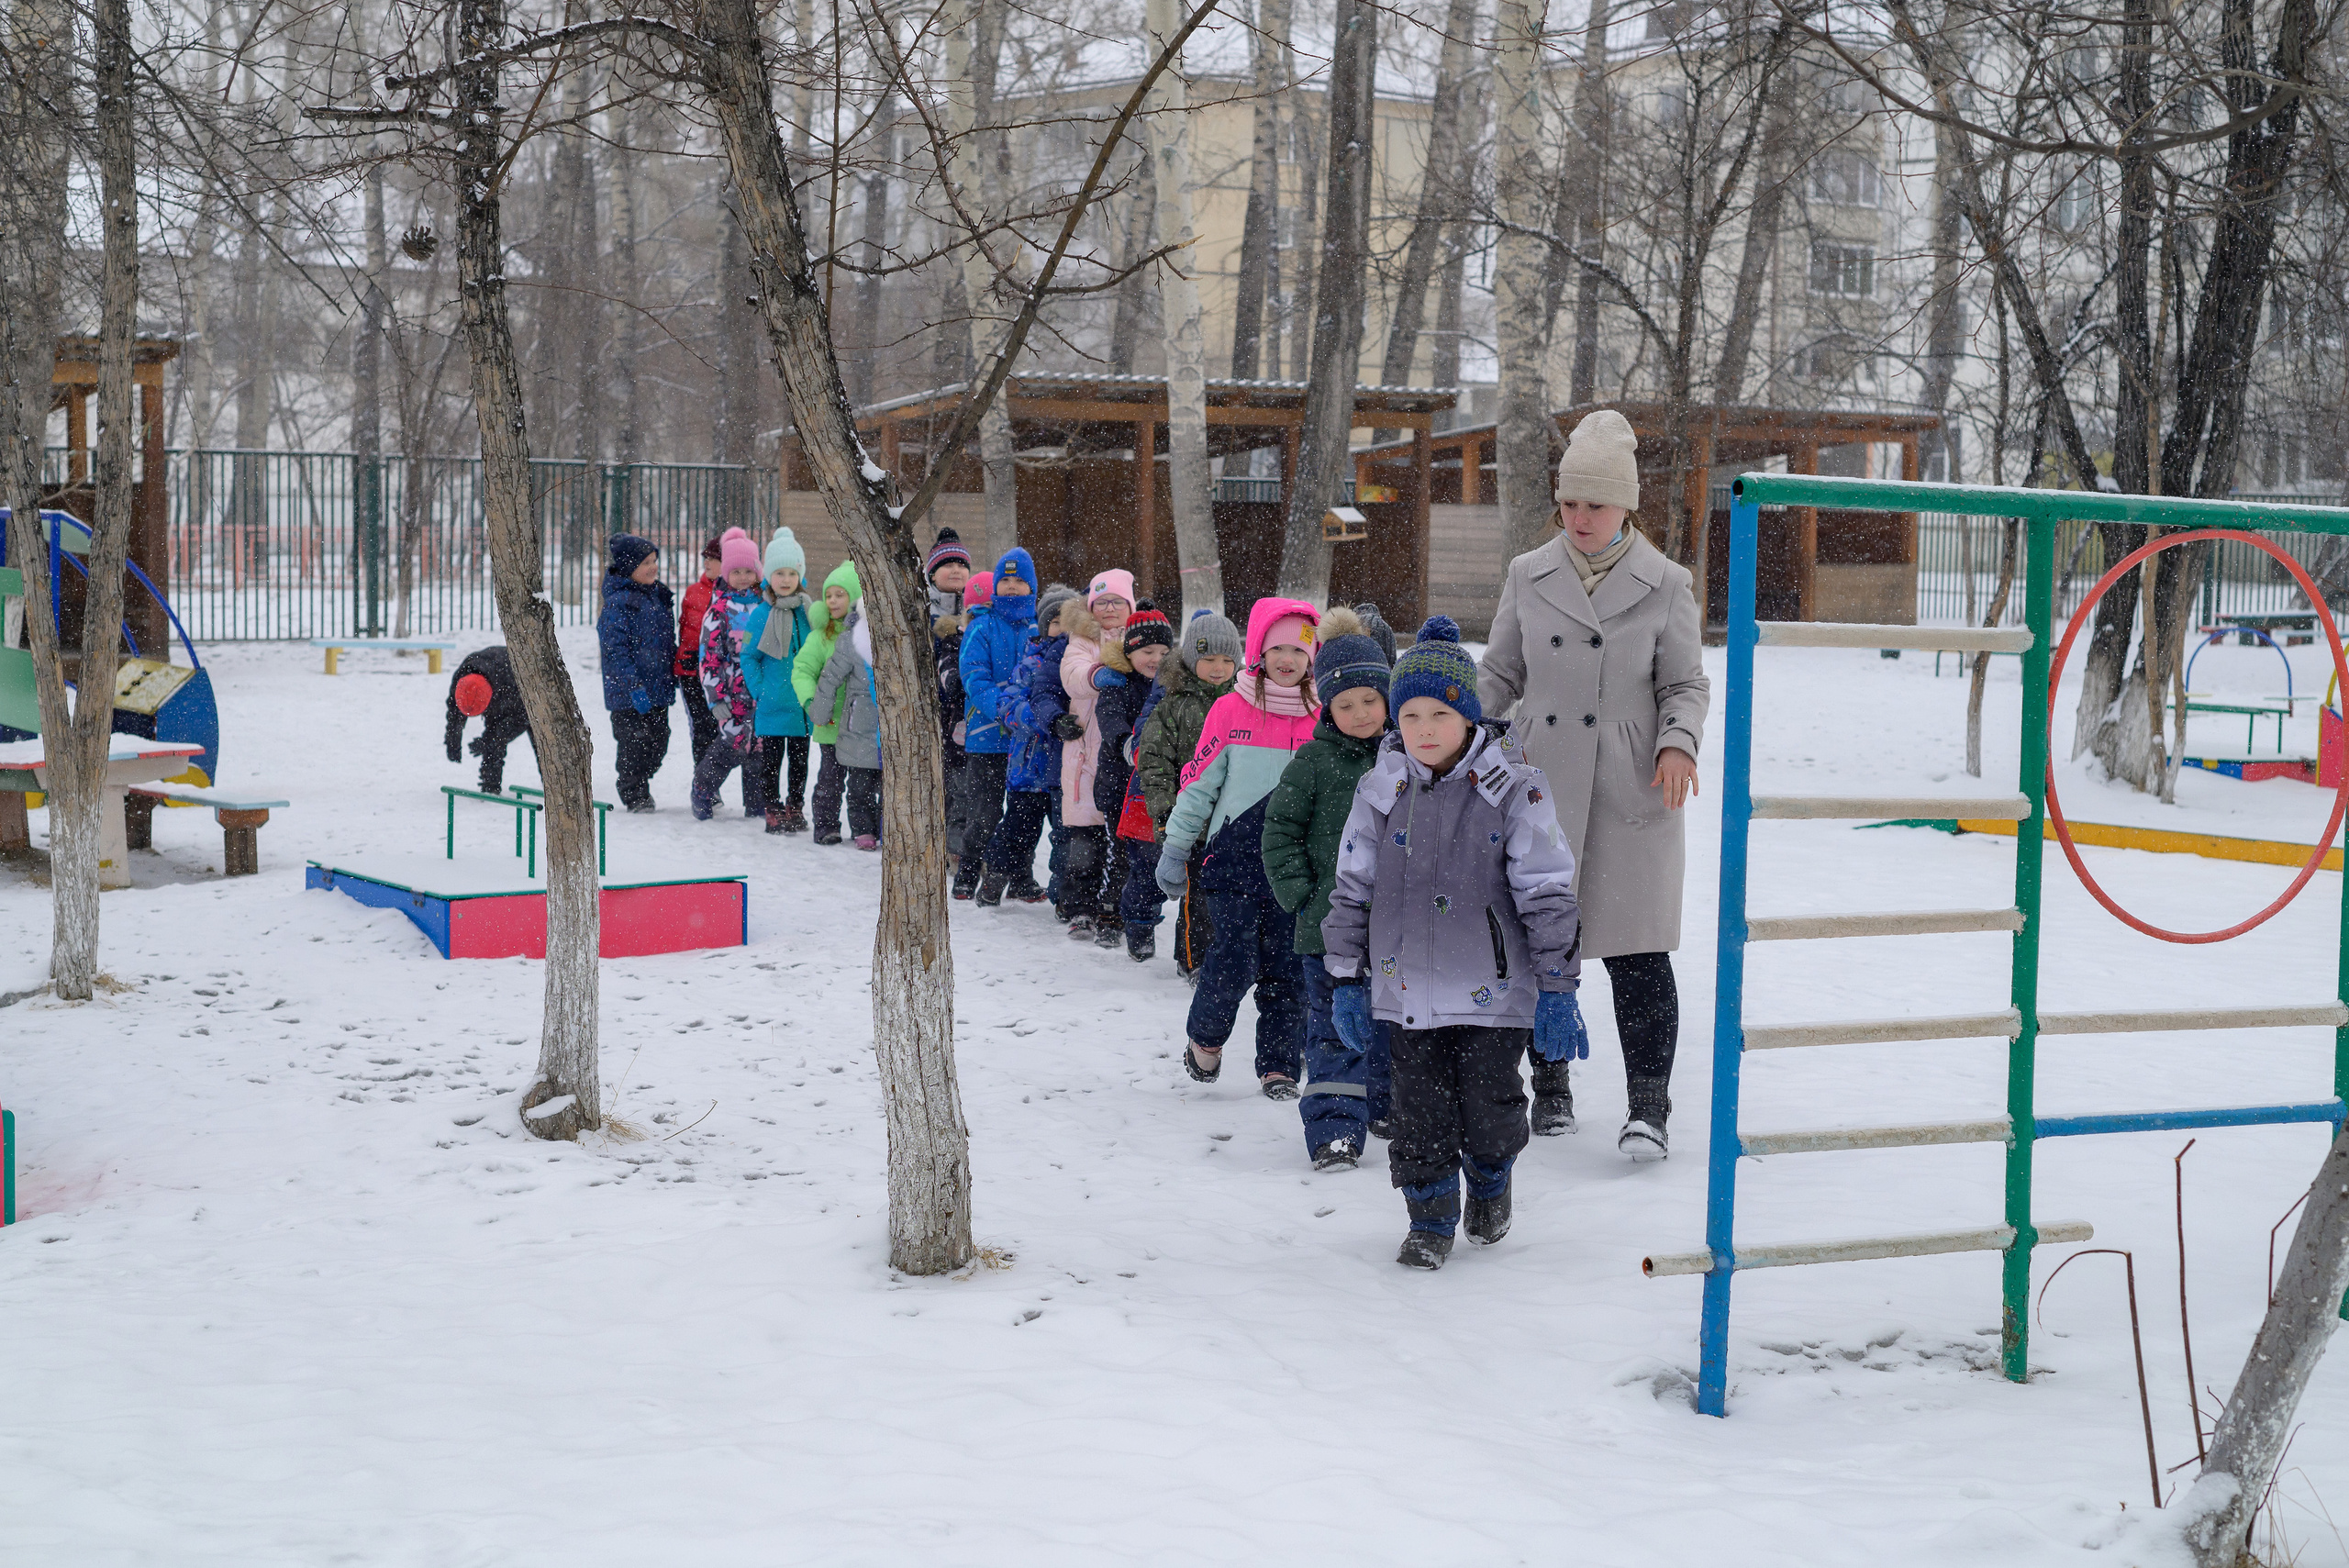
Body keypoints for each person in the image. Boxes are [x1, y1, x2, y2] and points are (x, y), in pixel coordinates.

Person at [1476, 408, 1710, 1161]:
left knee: (1639, 953)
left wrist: (1678, 744)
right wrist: (1451, 731)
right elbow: (1502, 672)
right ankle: (1550, 1087)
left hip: (1630, 787)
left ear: (1627, 507)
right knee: (1540, 941)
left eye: (1596, 504)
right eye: (1570, 503)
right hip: (1539, 779)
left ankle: (1649, 1105)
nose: (1579, 518)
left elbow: (1685, 685)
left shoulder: (1667, 585)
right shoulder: (1527, 573)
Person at [1323, 617, 1586, 1269]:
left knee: (1490, 1107)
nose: (1424, 728)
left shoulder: (1513, 789)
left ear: (1468, 715)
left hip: (1491, 991)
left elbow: (1547, 891)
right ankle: (1431, 1215)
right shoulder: (1381, 790)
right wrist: (1344, 976)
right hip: (1405, 987)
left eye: (1439, 712)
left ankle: (1492, 1177)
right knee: (1417, 1115)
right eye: (1409, 714)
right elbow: (1351, 886)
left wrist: (1558, 985)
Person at [1154, 597, 1319, 1098]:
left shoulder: (1324, 717)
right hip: (1234, 859)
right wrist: (1176, 846)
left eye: (1298, 649)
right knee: (1233, 959)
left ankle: (1279, 1066)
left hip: (1295, 867)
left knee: (1288, 970)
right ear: (1258, 652)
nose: (1287, 659)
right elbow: (1199, 785)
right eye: (1277, 649)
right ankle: (1205, 1039)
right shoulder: (1231, 708)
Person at [1264, 607, 1394, 1171]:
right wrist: (1301, 896)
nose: (1360, 714)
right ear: (1327, 707)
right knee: (1334, 1028)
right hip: (1327, 928)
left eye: (1371, 701)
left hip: (1399, 928)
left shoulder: (1408, 760)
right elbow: (1279, 832)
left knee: (1392, 1025)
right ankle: (1335, 1127)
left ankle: (1388, 1108)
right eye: (1346, 705)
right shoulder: (1313, 762)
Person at [1136, 610, 1241, 980]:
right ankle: (1194, 960)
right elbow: (1154, 763)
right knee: (1199, 900)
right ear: (1192, 660)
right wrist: (1167, 813)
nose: (1219, 668)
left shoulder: (1243, 704)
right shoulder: (1173, 707)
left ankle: (1231, 959)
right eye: (1209, 659)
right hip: (1193, 822)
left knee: (1232, 899)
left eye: (1228, 660)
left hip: (1234, 821)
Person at [982, 583, 1074, 907]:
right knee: (1019, 830)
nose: (1063, 629)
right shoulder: (1032, 662)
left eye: (1071, 621)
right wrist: (1036, 717)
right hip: (1029, 768)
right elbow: (1008, 701)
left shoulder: (1078, 664)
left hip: (1065, 769)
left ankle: (1063, 893)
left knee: (1065, 835)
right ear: (1045, 625)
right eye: (1057, 621)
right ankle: (994, 877)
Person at [957, 548, 1038, 899]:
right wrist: (1003, 708)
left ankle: (1020, 876)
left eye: (1019, 581)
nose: (1011, 587)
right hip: (987, 737)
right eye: (1004, 580)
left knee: (1024, 814)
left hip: (1029, 741)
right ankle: (969, 869)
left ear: (1031, 587)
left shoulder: (1040, 628)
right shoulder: (982, 627)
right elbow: (974, 677)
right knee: (984, 812)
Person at [1059, 570, 1135, 940]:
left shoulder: (1138, 638)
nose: (1108, 608)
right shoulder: (1082, 639)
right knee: (1084, 843)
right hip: (1086, 754)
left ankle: (1115, 909)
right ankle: (1079, 907)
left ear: (1129, 605)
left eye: (1116, 601)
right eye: (1101, 602)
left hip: (1122, 754)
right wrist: (1095, 675)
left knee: (1121, 844)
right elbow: (1070, 672)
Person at [1094, 602, 1171, 955]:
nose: (1155, 658)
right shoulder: (1119, 683)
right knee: (1120, 855)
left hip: (1149, 790)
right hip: (1118, 784)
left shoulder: (1171, 687)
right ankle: (1109, 915)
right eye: (1146, 651)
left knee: (1149, 858)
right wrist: (1126, 743)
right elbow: (1108, 719)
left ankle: (1142, 918)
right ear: (1130, 651)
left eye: (1163, 651)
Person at [690, 528, 769, 821]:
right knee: (733, 743)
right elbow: (709, 657)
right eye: (736, 571)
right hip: (731, 691)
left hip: (760, 689)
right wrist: (715, 696)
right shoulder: (719, 610)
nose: (743, 577)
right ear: (725, 573)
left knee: (758, 747)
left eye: (749, 570)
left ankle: (757, 804)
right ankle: (703, 788)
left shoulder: (764, 606)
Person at [740, 528, 815, 834]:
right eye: (779, 573)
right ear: (769, 576)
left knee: (799, 763)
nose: (786, 580)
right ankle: (772, 808)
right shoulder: (760, 614)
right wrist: (760, 690)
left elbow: (817, 651)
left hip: (801, 706)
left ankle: (795, 806)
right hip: (772, 705)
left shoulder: (809, 612)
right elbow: (748, 657)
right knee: (771, 763)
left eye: (792, 573)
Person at [596, 534, 675, 813]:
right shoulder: (619, 604)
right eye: (646, 563)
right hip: (628, 693)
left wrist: (674, 668)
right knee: (634, 742)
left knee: (659, 740)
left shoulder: (658, 597)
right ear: (630, 567)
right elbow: (614, 651)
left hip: (658, 688)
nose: (653, 567)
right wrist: (633, 685)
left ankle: (641, 777)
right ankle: (634, 790)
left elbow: (666, 641)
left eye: (654, 561)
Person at [794, 559, 863, 845]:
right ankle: (825, 825)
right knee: (830, 779)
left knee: (863, 783)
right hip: (832, 722)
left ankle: (864, 828)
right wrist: (812, 700)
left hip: (862, 724)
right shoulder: (820, 637)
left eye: (840, 595)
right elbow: (802, 671)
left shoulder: (866, 635)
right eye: (828, 596)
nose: (833, 601)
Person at [812, 606, 884, 848]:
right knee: (859, 785)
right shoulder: (852, 639)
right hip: (860, 724)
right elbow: (831, 676)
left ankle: (887, 828)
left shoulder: (901, 637)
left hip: (890, 726)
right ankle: (863, 830)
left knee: (891, 787)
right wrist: (820, 711)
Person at [927, 530, 975, 864]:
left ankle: (959, 847)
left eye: (962, 564)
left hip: (965, 711)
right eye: (948, 565)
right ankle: (939, 843)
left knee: (964, 783)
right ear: (931, 574)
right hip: (933, 710)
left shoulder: (976, 610)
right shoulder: (922, 610)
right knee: (939, 782)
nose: (956, 570)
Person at [444, 645, 531, 795]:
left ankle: (556, 790)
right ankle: (490, 786)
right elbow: (454, 711)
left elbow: (522, 719)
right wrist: (453, 739)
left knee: (543, 744)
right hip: (497, 684)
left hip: (525, 694)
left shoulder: (514, 685)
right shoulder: (463, 678)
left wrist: (488, 740)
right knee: (493, 740)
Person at [675, 535, 725, 763]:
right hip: (692, 672)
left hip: (721, 673)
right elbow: (684, 629)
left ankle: (710, 778)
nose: (707, 563)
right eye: (706, 557)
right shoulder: (694, 591)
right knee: (702, 727)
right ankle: (705, 782)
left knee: (722, 728)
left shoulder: (733, 594)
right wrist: (688, 656)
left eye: (714, 559)